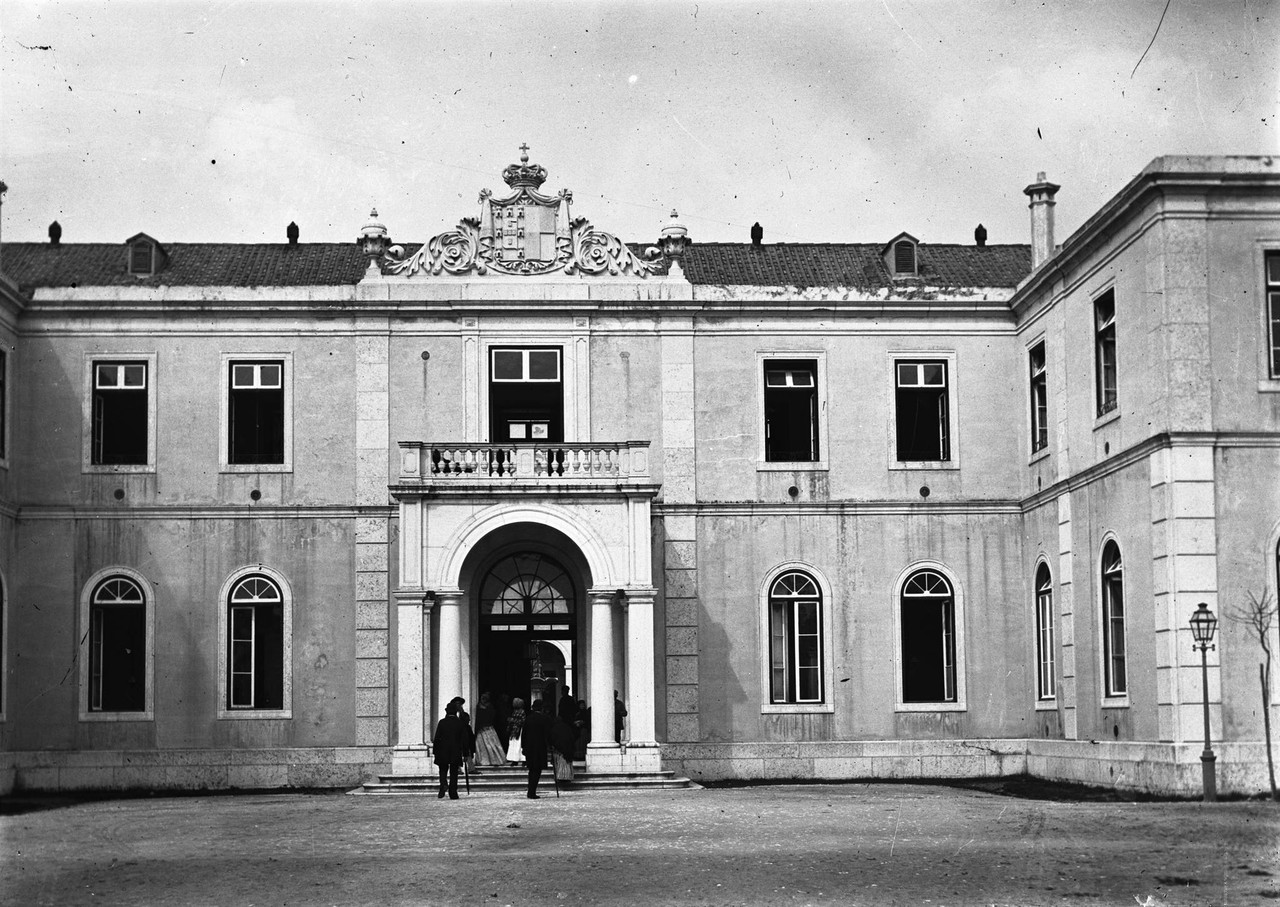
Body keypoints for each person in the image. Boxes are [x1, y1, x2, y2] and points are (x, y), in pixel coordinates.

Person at [432, 701, 467, 800]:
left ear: (447, 711)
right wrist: (465, 752)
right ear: (456, 712)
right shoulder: (459, 723)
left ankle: (443, 783)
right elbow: (464, 739)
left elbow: (437, 738)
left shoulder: (442, 722)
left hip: (443, 750)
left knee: (443, 769)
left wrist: (435, 751)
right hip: (455, 750)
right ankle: (453, 792)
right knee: (454, 771)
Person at [521, 699, 550, 799]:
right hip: (540, 747)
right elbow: (547, 734)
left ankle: (531, 790)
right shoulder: (545, 719)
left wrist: (523, 747)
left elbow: (523, 734)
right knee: (537, 770)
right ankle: (532, 792)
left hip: (529, 747)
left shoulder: (528, 719)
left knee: (532, 770)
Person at [473, 692, 507, 768]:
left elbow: (491, 717)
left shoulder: (490, 707)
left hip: (487, 728)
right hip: (482, 729)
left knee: (491, 745)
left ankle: (494, 760)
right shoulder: (479, 707)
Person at [550, 710, 576, 783]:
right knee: (565, 763)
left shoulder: (554, 728)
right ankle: (566, 776)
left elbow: (552, 739)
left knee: (559, 763)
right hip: (567, 748)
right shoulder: (567, 728)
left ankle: (560, 776)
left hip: (559, 749)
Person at [505, 698, 526, 765]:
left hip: (518, 731)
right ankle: (515, 759)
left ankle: (521, 759)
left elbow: (522, 721)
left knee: (518, 745)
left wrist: (512, 720)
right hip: (515, 731)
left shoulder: (521, 712)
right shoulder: (515, 711)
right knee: (515, 745)